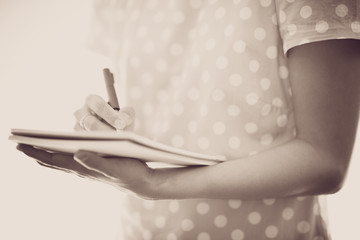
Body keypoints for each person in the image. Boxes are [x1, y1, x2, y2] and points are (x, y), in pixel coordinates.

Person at [16, 0, 360, 239]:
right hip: (142, 231)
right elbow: (155, 101)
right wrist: (103, 124)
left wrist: (157, 184)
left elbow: (324, 158)